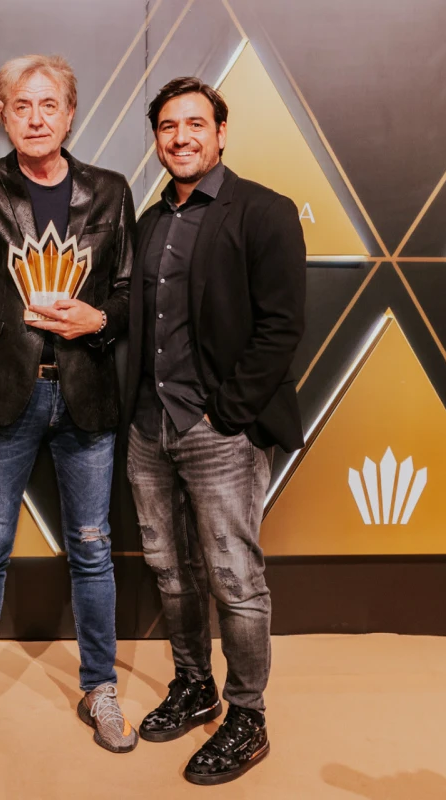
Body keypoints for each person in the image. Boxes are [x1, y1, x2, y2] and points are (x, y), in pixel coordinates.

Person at [0, 54, 136, 757]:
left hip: (85, 390)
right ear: (5, 115)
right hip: (4, 389)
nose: (37, 118)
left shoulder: (110, 190)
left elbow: (129, 292)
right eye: (21, 106)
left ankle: (100, 687)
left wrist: (98, 320)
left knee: (93, 548)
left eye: (50, 105)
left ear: (71, 114)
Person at [125, 76, 306, 785]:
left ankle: (247, 716)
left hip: (219, 432)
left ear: (221, 133)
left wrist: (225, 414)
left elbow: (281, 327)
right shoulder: (148, 222)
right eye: (168, 126)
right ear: (157, 138)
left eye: (195, 123)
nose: (182, 137)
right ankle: (194, 685)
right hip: (147, 428)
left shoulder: (264, 211)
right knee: (171, 572)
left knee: (235, 580)